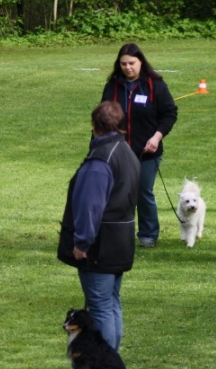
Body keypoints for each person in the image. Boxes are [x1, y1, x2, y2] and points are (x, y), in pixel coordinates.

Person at [57, 101, 140, 351]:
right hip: (121, 238)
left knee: (101, 305)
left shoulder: (100, 160)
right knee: (111, 302)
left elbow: (89, 207)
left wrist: (82, 243)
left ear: (94, 126)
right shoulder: (126, 150)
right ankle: (110, 361)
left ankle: (103, 363)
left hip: (100, 245)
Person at [101, 43, 178, 248]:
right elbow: (102, 115)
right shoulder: (112, 86)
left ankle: (148, 234)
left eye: (131, 63)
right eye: (123, 64)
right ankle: (118, 232)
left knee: (143, 192)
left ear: (141, 62)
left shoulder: (155, 85)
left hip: (147, 151)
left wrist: (156, 137)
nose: (127, 67)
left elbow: (170, 114)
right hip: (117, 151)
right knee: (118, 193)